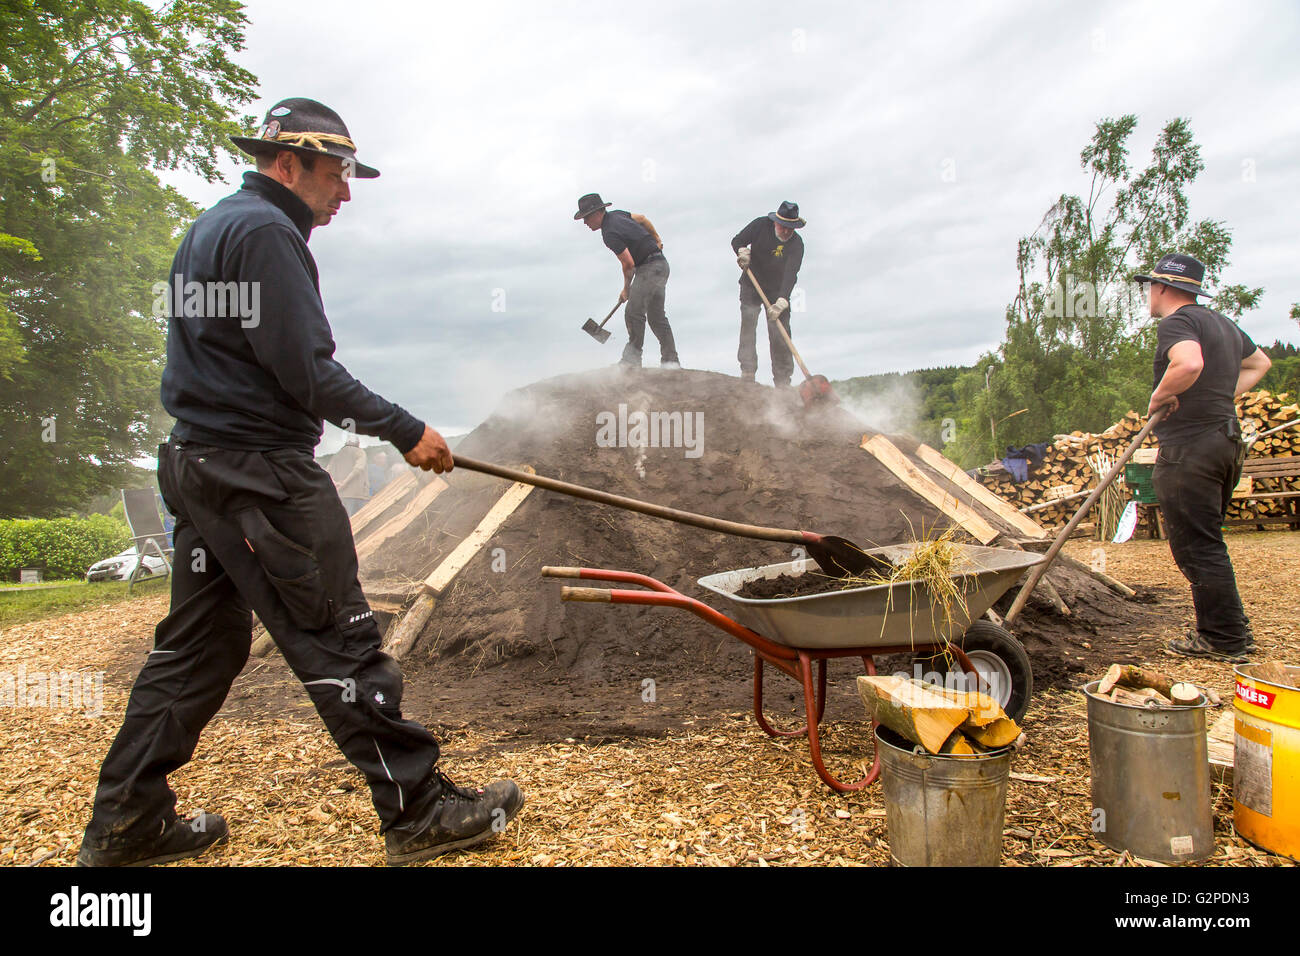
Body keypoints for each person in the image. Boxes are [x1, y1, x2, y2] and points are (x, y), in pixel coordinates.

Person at [78, 98, 523, 867]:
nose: (345, 193)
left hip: (201, 464)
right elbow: (305, 370)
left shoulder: (214, 225)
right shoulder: (266, 233)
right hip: (261, 475)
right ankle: (417, 807)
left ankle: (128, 824)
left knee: (194, 653)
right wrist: (405, 427)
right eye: (336, 173)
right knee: (340, 642)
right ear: (288, 162)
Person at [1137, 252, 1272, 663]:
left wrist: (1160, 395)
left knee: (1197, 545)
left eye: (1149, 288)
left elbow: (1189, 362)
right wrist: (1218, 396)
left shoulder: (1177, 322)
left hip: (1190, 449)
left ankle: (1224, 638)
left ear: (1161, 287)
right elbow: (1259, 362)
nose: (1147, 295)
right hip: (1225, 442)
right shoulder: (1222, 323)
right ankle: (1231, 629)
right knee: (1207, 540)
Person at [575, 193, 680, 369]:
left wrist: (626, 289)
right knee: (656, 317)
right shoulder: (618, 214)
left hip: (649, 268)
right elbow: (643, 219)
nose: (585, 223)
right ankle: (671, 362)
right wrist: (656, 238)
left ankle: (632, 360)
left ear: (596, 213)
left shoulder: (609, 233)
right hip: (661, 265)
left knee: (633, 312)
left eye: (586, 218)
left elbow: (628, 264)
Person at [731, 201, 805, 386]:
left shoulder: (797, 244)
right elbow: (737, 240)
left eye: (791, 228)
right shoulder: (760, 225)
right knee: (749, 322)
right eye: (783, 226)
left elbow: (790, 274)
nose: (787, 231)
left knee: (780, 332)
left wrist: (782, 300)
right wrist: (742, 251)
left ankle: (783, 381)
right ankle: (747, 371)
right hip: (752, 283)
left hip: (777, 291)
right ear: (775, 222)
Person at [327, 432, 369, 516]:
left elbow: (327, 472)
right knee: (361, 521)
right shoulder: (360, 452)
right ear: (358, 443)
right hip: (358, 495)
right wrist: (344, 483)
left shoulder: (338, 454)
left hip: (342, 494)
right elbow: (359, 469)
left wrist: (336, 483)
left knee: (347, 521)